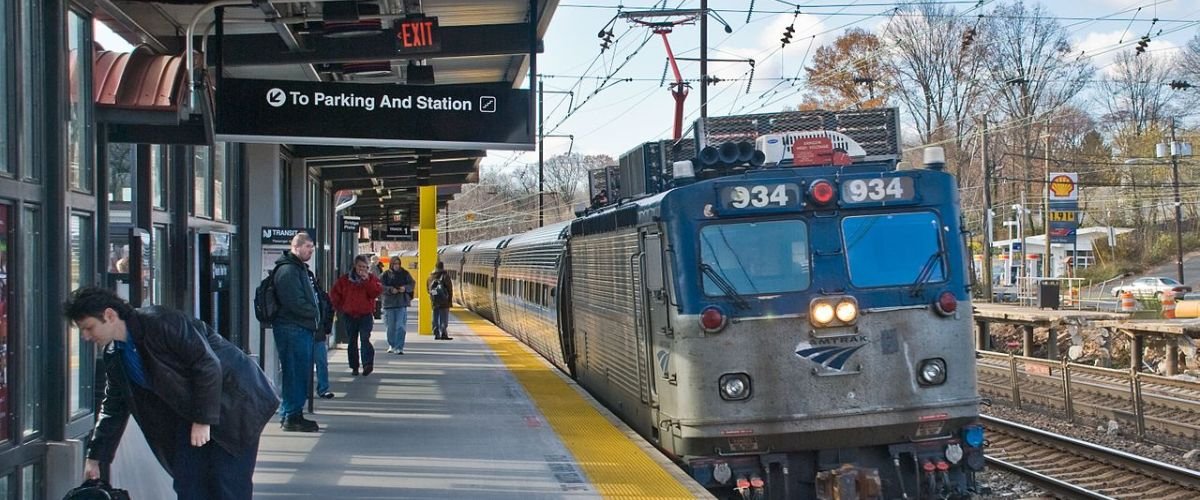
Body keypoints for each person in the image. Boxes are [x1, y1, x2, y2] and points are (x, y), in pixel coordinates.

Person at [65, 286, 279, 500]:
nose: (85, 336)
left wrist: (203, 420)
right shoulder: (115, 356)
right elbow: (114, 408)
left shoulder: (161, 322)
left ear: (110, 315)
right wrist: (95, 457)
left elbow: (207, 365)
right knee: (189, 485)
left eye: (88, 328)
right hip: (191, 416)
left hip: (235, 406)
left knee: (227, 484)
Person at [271, 232, 321, 432]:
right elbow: (293, 301)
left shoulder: (297, 269)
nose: (311, 251)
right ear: (297, 247)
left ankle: (290, 413)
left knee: (296, 371)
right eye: (308, 246)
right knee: (295, 371)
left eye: (312, 247)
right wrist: (313, 312)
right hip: (293, 327)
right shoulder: (289, 271)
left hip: (296, 327)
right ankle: (292, 415)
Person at [331, 255, 383, 375]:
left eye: (365, 267)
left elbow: (375, 293)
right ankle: (354, 366)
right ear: (355, 266)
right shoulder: (345, 280)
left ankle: (367, 364)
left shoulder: (371, 279)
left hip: (365, 315)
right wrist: (340, 309)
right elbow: (335, 295)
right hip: (349, 315)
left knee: (365, 338)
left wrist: (366, 282)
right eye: (360, 266)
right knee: (352, 341)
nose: (362, 269)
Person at [380, 256, 415, 354]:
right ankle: (392, 344)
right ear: (391, 264)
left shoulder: (405, 274)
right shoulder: (385, 275)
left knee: (400, 326)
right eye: (395, 264)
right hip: (389, 304)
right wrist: (390, 289)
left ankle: (399, 347)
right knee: (390, 327)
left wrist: (405, 288)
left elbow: (412, 284)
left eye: (398, 264)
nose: (397, 266)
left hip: (401, 303)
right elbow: (380, 286)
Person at [315, 282, 335, 399]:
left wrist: (327, 328)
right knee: (305, 363)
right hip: (305, 332)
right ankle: (306, 390)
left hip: (318, 332)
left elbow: (329, 311)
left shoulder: (322, 296)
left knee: (321, 362)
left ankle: (323, 388)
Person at [427, 261, 454, 340]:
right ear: (443, 267)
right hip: (444, 301)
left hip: (435, 301)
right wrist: (448, 300)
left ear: (435, 267)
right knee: (444, 318)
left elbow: (428, 290)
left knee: (435, 317)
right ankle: (444, 333)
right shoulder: (445, 276)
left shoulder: (430, 277)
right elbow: (449, 289)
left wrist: (435, 295)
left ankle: (436, 333)